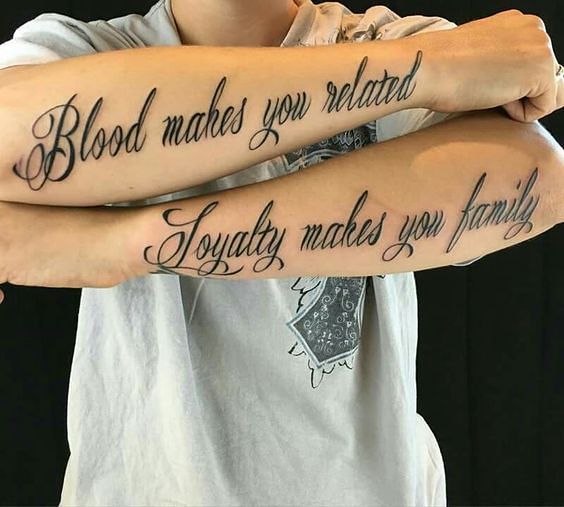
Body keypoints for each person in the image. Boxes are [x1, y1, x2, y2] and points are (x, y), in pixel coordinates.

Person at [0, 0, 562, 504]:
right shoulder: (75, 51)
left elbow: (537, 179)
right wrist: (429, 68)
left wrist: (119, 244)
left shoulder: (384, 39)